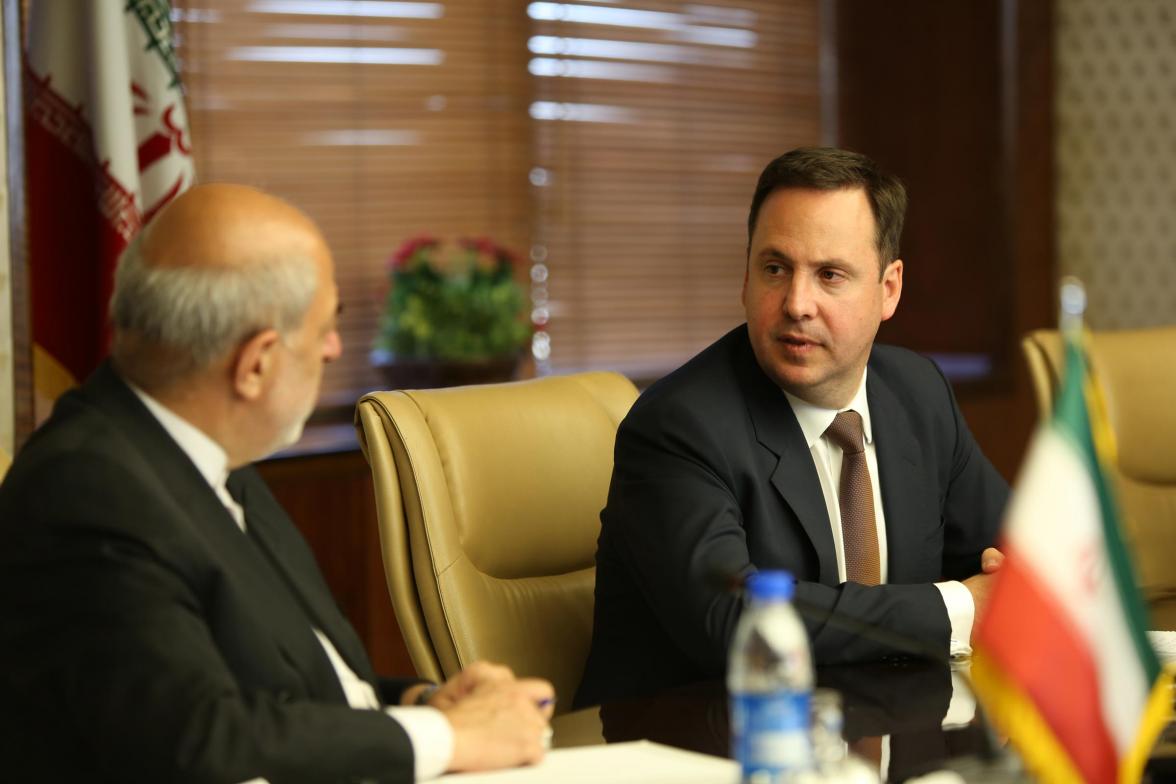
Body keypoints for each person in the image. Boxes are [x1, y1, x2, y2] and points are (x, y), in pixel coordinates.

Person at [0, 184, 554, 783]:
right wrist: (452, 738)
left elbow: (299, 690)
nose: (335, 348)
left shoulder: (210, 455)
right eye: (324, 328)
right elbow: (197, 739)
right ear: (257, 363)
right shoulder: (88, 494)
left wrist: (426, 704)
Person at [575, 147, 1010, 708]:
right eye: (775, 269)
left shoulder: (917, 394)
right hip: (697, 747)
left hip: (879, 735)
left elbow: (1014, 556)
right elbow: (736, 623)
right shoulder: (679, 426)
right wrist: (961, 609)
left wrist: (1013, 582)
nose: (796, 304)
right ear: (746, 274)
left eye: (830, 275)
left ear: (889, 289)